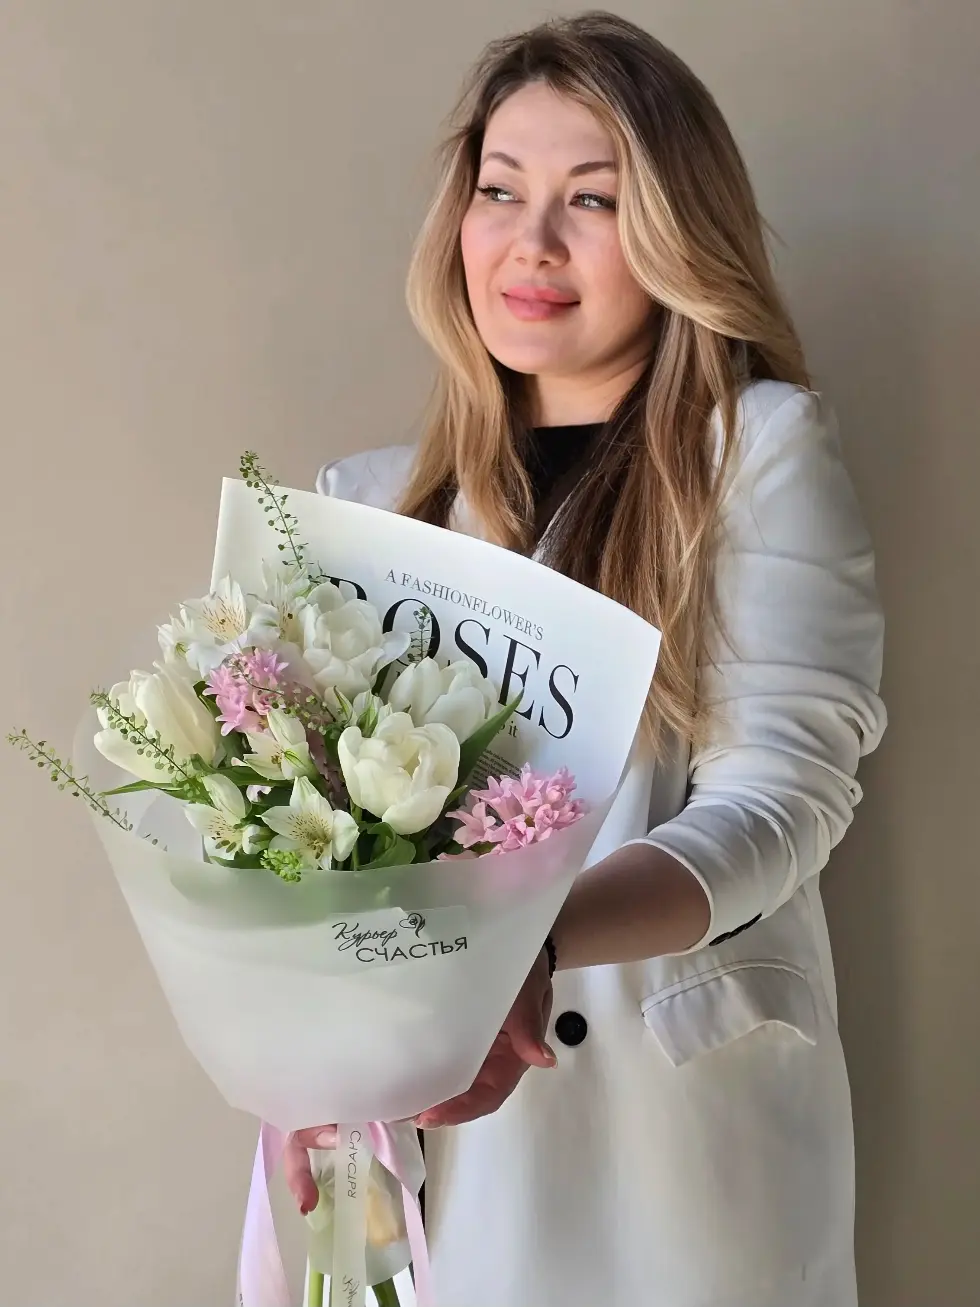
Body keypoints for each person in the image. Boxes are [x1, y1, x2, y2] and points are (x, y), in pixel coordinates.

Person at [286, 12, 887, 1306]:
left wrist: (532, 943)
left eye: (593, 200)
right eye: (500, 191)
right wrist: (304, 1062)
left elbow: (782, 799)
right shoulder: (368, 504)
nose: (533, 243)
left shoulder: (757, 450)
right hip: (427, 1156)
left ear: (677, 231)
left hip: (665, 1144)